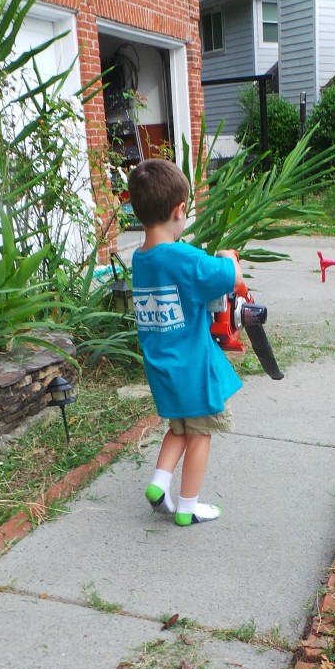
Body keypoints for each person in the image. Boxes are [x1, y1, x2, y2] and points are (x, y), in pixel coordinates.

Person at [128, 158, 243, 526]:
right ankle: (189, 507)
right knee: (201, 435)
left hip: (162, 368)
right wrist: (228, 256)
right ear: (179, 211)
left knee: (180, 428)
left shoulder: (140, 258)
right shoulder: (185, 258)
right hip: (192, 369)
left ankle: (159, 484)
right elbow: (230, 276)